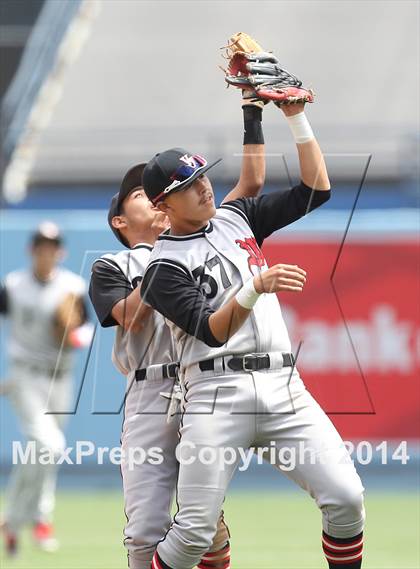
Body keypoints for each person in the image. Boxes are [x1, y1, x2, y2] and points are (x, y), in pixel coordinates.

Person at [140, 101, 366, 569]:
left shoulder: (235, 218)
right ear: (162, 205)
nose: (202, 188)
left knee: (346, 498)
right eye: (186, 186)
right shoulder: (161, 269)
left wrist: (288, 116)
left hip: (285, 388)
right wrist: (255, 286)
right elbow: (211, 330)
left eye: (202, 176)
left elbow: (314, 190)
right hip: (215, 392)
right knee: (195, 532)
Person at [89, 94, 267, 569]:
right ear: (121, 222)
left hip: (201, 386)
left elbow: (250, 184)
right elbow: (129, 316)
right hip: (150, 395)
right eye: (139, 196)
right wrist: (164, 259)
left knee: (204, 526)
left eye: (156, 192)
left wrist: (252, 112)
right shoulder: (113, 264)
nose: (153, 198)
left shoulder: (198, 238)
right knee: (146, 529)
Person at [0, 221, 88, 555]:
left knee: (42, 453)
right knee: (49, 444)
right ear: (31, 250)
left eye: (51, 246)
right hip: (24, 375)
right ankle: (34, 517)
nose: (45, 251)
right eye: (40, 246)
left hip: (60, 377)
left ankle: (18, 519)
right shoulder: (12, 286)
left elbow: (86, 331)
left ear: (60, 251)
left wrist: (71, 333)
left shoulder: (72, 287)